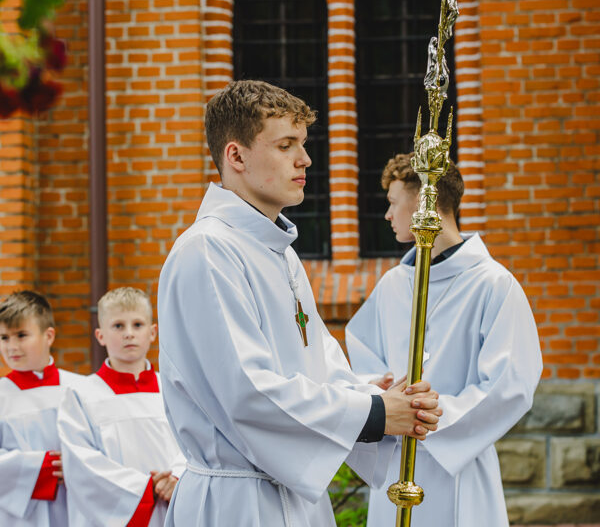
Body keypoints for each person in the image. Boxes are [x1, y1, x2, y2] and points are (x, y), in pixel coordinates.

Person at [157, 80, 443, 527]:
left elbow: (320, 368)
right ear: (236, 156)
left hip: (299, 503)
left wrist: (384, 399)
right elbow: (247, 393)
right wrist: (374, 414)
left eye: (303, 144)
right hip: (236, 503)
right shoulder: (207, 252)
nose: (305, 159)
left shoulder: (280, 254)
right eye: (286, 145)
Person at [346, 153, 543, 527]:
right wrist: (381, 393)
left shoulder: (493, 284)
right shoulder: (392, 285)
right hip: (396, 459)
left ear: (425, 202)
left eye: (393, 203)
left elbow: (512, 383)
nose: (387, 215)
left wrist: (433, 416)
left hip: (459, 465)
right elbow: (363, 359)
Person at [57, 287, 185, 527]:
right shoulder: (80, 395)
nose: (129, 334)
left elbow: (195, 445)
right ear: (100, 336)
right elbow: (80, 464)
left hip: (173, 505)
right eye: (118, 326)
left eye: (137, 325)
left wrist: (177, 476)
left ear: (152, 332)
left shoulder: (174, 390)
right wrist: (144, 489)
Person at [0, 290, 85, 527]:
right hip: (20, 517)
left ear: (49, 336)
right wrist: (40, 468)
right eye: (4, 337)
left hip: (76, 506)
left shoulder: (81, 389)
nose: (12, 346)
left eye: (21, 335)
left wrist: (79, 464)